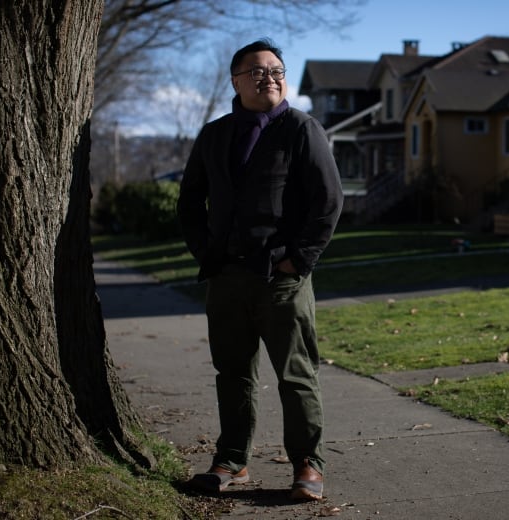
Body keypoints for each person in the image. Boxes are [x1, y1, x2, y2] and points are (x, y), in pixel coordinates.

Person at [176, 38, 343, 501]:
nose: (269, 77)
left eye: (276, 70)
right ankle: (231, 461)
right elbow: (190, 201)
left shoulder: (301, 129)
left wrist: (299, 260)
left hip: (282, 280)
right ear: (236, 80)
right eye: (257, 71)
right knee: (232, 374)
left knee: (296, 374)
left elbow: (328, 202)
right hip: (226, 278)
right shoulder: (214, 134)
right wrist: (206, 252)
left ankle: (308, 465)